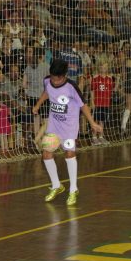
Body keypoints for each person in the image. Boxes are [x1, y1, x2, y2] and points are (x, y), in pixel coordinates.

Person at [33, 59, 101, 206]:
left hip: (69, 127)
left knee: (69, 154)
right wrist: (38, 104)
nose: (55, 81)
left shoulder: (72, 87)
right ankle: (57, 186)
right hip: (53, 125)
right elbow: (46, 92)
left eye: (58, 79)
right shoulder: (47, 81)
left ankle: (73, 189)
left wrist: (92, 123)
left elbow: (84, 106)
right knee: (46, 154)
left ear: (64, 75)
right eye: (52, 78)